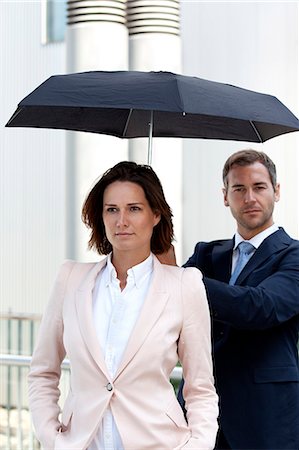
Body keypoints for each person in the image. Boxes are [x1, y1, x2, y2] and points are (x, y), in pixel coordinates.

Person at [28, 161, 219, 450]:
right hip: (80, 443)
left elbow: (201, 388)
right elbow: (43, 370)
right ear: (100, 216)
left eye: (134, 208)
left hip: (160, 443)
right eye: (112, 209)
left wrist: (197, 446)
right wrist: (52, 437)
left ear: (155, 215)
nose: (121, 221)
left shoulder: (185, 284)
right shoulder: (70, 278)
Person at [175, 149, 299, 450]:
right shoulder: (206, 254)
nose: (249, 198)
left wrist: (184, 280)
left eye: (259, 187)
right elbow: (171, 307)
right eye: (239, 189)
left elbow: (259, 307)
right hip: (198, 412)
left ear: (277, 191)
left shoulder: (293, 256)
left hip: (264, 416)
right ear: (225, 196)